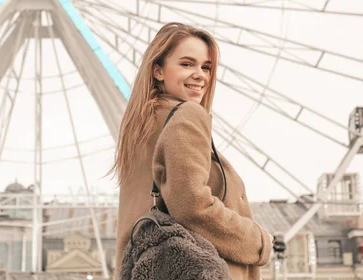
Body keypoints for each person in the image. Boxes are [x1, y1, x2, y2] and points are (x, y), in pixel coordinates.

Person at [112, 22, 273, 280]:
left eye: (206, 67)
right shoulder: (186, 116)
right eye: (187, 64)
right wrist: (258, 241)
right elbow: (191, 205)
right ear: (158, 71)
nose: (201, 75)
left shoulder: (140, 127)